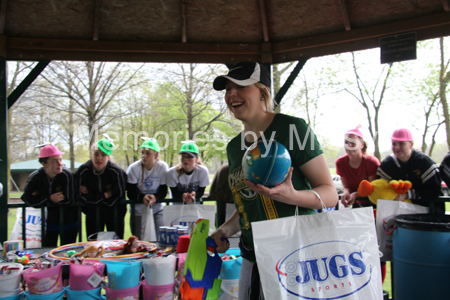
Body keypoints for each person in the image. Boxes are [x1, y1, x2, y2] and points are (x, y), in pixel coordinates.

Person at [210, 61, 338, 299]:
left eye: (240, 86)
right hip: (252, 256)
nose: (231, 94)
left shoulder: (292, 128)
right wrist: (225, 230)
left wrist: (293, 196)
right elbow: (249, 205)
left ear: (262, 92)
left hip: (297, 255)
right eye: (228, 89)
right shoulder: (234, 148)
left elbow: (330, 194)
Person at [21, 144, 78, 246]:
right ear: (44, 164)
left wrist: (40, 196)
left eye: (60, 160)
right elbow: (26, 198)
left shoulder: (67, 175)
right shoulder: (36, 177)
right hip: (47, 224)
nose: (60, 164)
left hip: (69, 221)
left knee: (68, 252)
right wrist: (49, 198)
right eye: (54, 161)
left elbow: (69, 199)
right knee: (48, 252)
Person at [377, 128, 443, 214]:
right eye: (394, 144)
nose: (397, 147)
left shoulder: (424, 163)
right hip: (398, 213)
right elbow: (380, 188)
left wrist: (408, 194)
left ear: (411, 144)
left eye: (401, 143)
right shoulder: (387, 165)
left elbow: (434, 190)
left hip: (429, 213)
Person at [75, 138, 128, 239]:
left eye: (103, 155)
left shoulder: (117, 172)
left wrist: (93, 197)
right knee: (94, 248)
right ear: (91, 155)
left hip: (115, 215)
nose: (99, 158)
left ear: (108, 156)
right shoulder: (83, 171)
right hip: (92, 215)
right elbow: (80, 196)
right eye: (96, 154)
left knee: (115, 248)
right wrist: (106, 195)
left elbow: (119, 195)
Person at [126, 138, 168, 239]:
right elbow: (130, 192)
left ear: (156, 156)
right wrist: (142, 198)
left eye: (148, 153)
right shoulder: (134, 168)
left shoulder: (162, 167)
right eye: (142, 153)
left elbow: (163, 191)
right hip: (138, 210)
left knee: (160, 238)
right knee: (139, 240)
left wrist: (155, 197)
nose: (144, 156)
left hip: (157, 209)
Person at [335, 126, 380, 207]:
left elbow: (372, 189)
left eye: (353, 142)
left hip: (373, 203)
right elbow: (346, 187)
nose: (349, 145)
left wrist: (356, 194)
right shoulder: (340, 163)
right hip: (356, 203)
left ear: (362, 145)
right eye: (346, 142)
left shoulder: (371, 162)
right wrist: (346, 192)